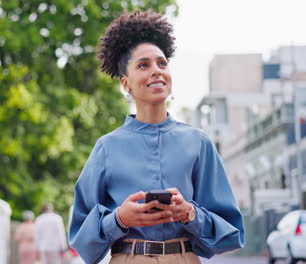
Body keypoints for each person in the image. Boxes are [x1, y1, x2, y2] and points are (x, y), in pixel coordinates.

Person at [69, 9, 245, 264]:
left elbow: (232, 233)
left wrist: (190, 214)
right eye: (143, 65)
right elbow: (80, 238)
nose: (156, 71)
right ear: (126, 83)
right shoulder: (106, 147)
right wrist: (118, 220)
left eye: (162, 63)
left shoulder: (198, 143)